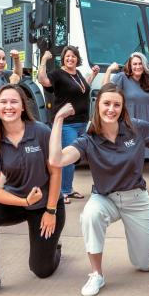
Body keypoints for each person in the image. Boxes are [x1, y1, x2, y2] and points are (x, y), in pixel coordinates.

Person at [48, 83, 149, 296]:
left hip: (135, 198)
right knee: (89, 215)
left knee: (145, 264)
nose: (111, 109)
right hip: (105, 198)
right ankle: (96, 274)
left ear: (122, 108)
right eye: (106, 103)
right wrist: (58, 120)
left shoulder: (135, 127)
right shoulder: (89, 139)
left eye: (116, 105)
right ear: (97, 106)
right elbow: (56, 159)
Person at [0, 85, 64, 296]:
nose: (8, 106)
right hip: (17, 201)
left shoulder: (41, 131)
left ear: (23, 106)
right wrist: (23, 202)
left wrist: (51, 211)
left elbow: (56, 173)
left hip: (45, 206)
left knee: (42, 270)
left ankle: (54, 248)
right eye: (3, 102)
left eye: (14, 101)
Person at [38, 46, 101, 202]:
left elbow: (82, 88)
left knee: (76, 157)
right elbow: (43, 80)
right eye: (67, 57)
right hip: (67, 124)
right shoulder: (58, 74)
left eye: (73, 56)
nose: (70, 59)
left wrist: (93, 74)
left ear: (77, 59)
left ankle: (68, 188)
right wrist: (44, 60)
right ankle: (63, 191)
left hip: (81, 122)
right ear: (63, 59)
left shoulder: (78, 74)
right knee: (67, 158)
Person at [102, 52, 149, 158]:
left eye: (140, 64)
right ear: (130, 65)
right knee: (125, 157)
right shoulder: (122, 78)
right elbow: (105, 90)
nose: (137, 67)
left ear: (144, 65)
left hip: (144, 126)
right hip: (127, 125)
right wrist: (109, 71)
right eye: (135, 64)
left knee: (138, 160)